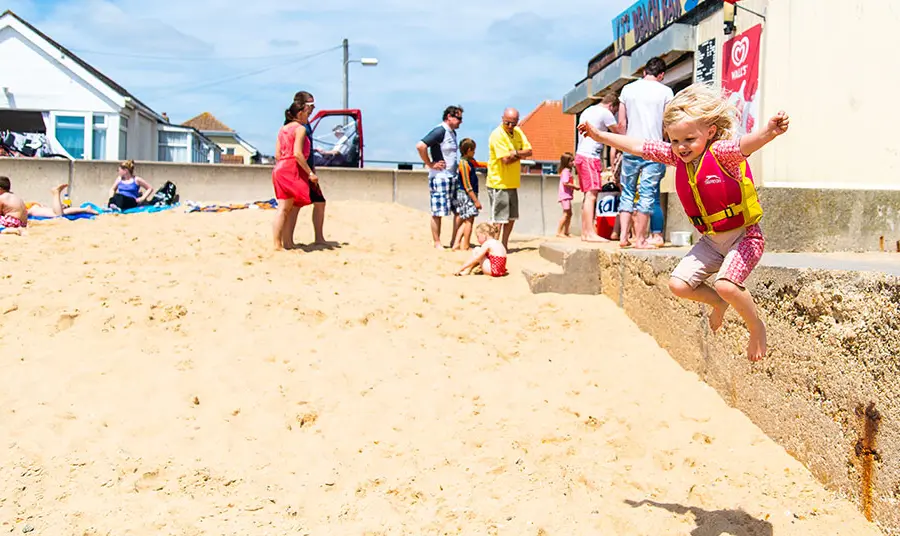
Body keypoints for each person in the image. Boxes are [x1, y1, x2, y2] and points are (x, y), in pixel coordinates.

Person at [578, 83, 790, 361]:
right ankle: (718, 302)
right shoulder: (678, 158)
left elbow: (746, 144)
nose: (680, 148)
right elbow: (638, 145)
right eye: (675, 141)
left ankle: (756, 326)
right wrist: (598, 135)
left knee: (727, 284)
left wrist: (768, 132)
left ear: (710, 132)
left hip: (744, 237)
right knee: (678, 285)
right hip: (712, 242)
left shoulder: (721, 153)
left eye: (689, 140)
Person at [617, 57, 674, 249]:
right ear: (661, 75)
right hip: (654, 149)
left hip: (630, 145)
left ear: (644, 72)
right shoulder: (666, 92)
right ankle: (640, 239)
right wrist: (667, 142)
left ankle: (624, 237)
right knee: (647, 194)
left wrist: (623, 143)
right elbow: (668, 123)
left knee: (627, 191)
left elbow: (621, 123)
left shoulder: (627, 89)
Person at [272, 95, 316, 250]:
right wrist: (310, 173)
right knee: (290, 207)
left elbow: (277, 154)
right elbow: (298, 153)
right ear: (300, 113)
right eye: (307, 110)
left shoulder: (283, 129)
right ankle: (283, 243)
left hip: (280, 168)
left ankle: (283, 243)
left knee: (283, 207)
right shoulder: (300, 129)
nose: (309, 113)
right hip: (291, 168)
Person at [416, 105, 463, 249]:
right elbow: (421, 145)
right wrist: (430, 163)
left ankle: (454, 241)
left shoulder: (452, 133)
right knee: (438, 211)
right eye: (458, 118)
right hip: (440, 177)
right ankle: (437, 242)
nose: (460, 122)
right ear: (449, 117)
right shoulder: (440, 130)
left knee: (459, 209)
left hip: (451, 175)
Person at [575, 93, 620, 242]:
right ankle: (590, 233)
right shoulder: (606, 113)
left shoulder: (588, 110)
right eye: (615, 111)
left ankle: (585, 232)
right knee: (591, 195)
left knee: (587, 195)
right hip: (590, 156)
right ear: (612, 106)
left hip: (580, 155)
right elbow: (619, 134)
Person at [486, 107, 532, 250]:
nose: (511, 126)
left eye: (513, 123)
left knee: (511, 218)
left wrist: (515, 153)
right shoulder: (497, 135)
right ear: (502, 119)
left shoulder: (518, 132)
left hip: (512, 182)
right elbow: (505, 159)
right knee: (498, 219)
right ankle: (494, 246)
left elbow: (529, 151)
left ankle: (504, 244)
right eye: (508, 123)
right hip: (498, 183)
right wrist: (519, 154)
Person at [293, 91, 329, 245]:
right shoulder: (295, 123)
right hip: (300, 169)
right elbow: (295, 150)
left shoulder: (306, 123)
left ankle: (319, 238)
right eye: (310, 104)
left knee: (320, 202)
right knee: (294, 206)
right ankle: (287, 240)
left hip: (309, 168)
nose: (313, 107)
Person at [452, 138, 484, 251]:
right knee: (469, 220)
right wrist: (476, 201)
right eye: (473, 150)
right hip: (466, 195)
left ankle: (456, 243)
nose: (474, 152)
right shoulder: (464, 164)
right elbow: (467, 184)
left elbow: (478, 164)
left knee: (466, 220)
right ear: (469, 150)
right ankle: (465, 245)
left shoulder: (469, 161)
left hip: (466, 194)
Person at [27, 183, 99, 218]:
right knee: (60, 212)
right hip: (29, 207)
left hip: (28, 208)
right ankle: (85, 209)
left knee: (57, 214)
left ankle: (56, 193)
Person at [557, 152, 579, 237]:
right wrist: (575, 186)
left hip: (567, 195)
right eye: (571, 161)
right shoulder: (566, 171)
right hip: (565, 195)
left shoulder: (567, 171)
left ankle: (566, 231)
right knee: (566, 214)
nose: (573, 163)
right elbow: (565, 183)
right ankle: (559, 232)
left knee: (569, 213)